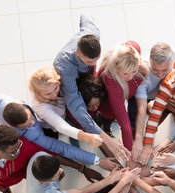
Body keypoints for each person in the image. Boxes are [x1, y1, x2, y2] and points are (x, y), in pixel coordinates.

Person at [54, 13, 130, 163]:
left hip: (87, 80)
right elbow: (75, 106)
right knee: (76, 119)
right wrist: (105, 137)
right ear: (77, 53)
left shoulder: (92, 32)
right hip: (72, 87)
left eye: (96, 59)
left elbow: (85, 16)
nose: (94, 63)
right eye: (89, 61)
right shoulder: (65, 66)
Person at [0, 94, 117, 176]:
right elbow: (61, 148)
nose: (33, 122)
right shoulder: (31, 135)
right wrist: (97, 160)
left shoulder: (2, 100)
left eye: (31, 117)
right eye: (28, 124)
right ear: (16, 127)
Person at [131, 42, 175, 164]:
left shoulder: (173, 52)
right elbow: (141, 109)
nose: (160, 74)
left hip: (164, 90)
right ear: (150, 60)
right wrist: (140, 140)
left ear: (171, 63)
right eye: (155, 69)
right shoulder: (142, 74)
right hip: (145, 96)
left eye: (165, 70)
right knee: (135, 115)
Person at [28, 66, 103, 147]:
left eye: (56, 88)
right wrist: (88, 137)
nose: (54, 95)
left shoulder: (60, 82)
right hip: (49, 126)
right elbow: (61, 126)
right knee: (55, 137)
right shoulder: (41, 107)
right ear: (38, 93)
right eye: (48, 94)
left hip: (64, 114)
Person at [97, 41, 148, 151]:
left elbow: (132, 44)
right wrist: (129, 154)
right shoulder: (112, 82)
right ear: (116, 68)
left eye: (134, 71)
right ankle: (105, 127)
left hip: (124, 94)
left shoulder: (131, 49)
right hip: (106, 101)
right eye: (125, 73)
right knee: (109, 116)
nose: (130, 77)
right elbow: (125, 125)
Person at [26, 151, 123, 193]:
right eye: (57, 173)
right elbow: (82, 192)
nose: (61, 170)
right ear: (46, 182)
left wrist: (82, 169)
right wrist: (110, 179)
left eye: (58, 167)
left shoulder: (39, 156)